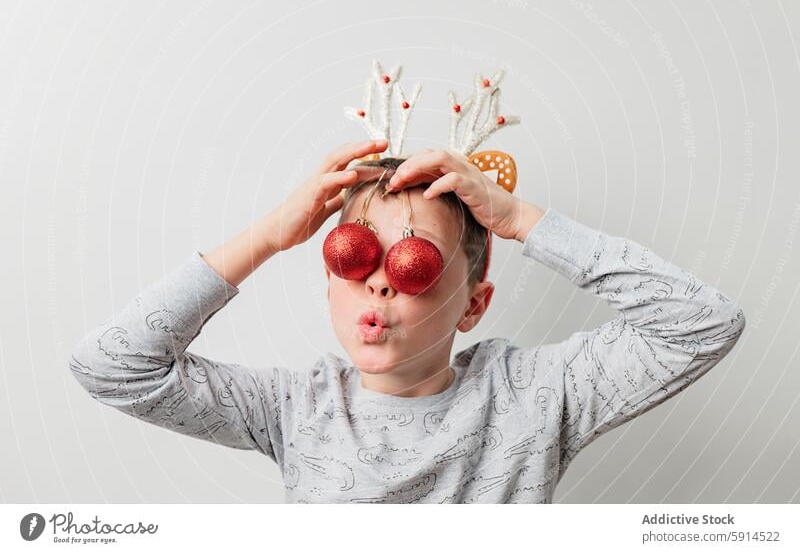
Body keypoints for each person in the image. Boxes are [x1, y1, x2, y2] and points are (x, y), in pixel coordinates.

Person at [69, 138, 746, 503]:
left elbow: (702, 322)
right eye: (355, 258)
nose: (379, 282)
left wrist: (517, 220)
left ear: (474, 304)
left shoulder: (535, 397)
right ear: (328, 284)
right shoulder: (293, 409)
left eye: (415, 265)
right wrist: (270, 236)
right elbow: (110, 366)